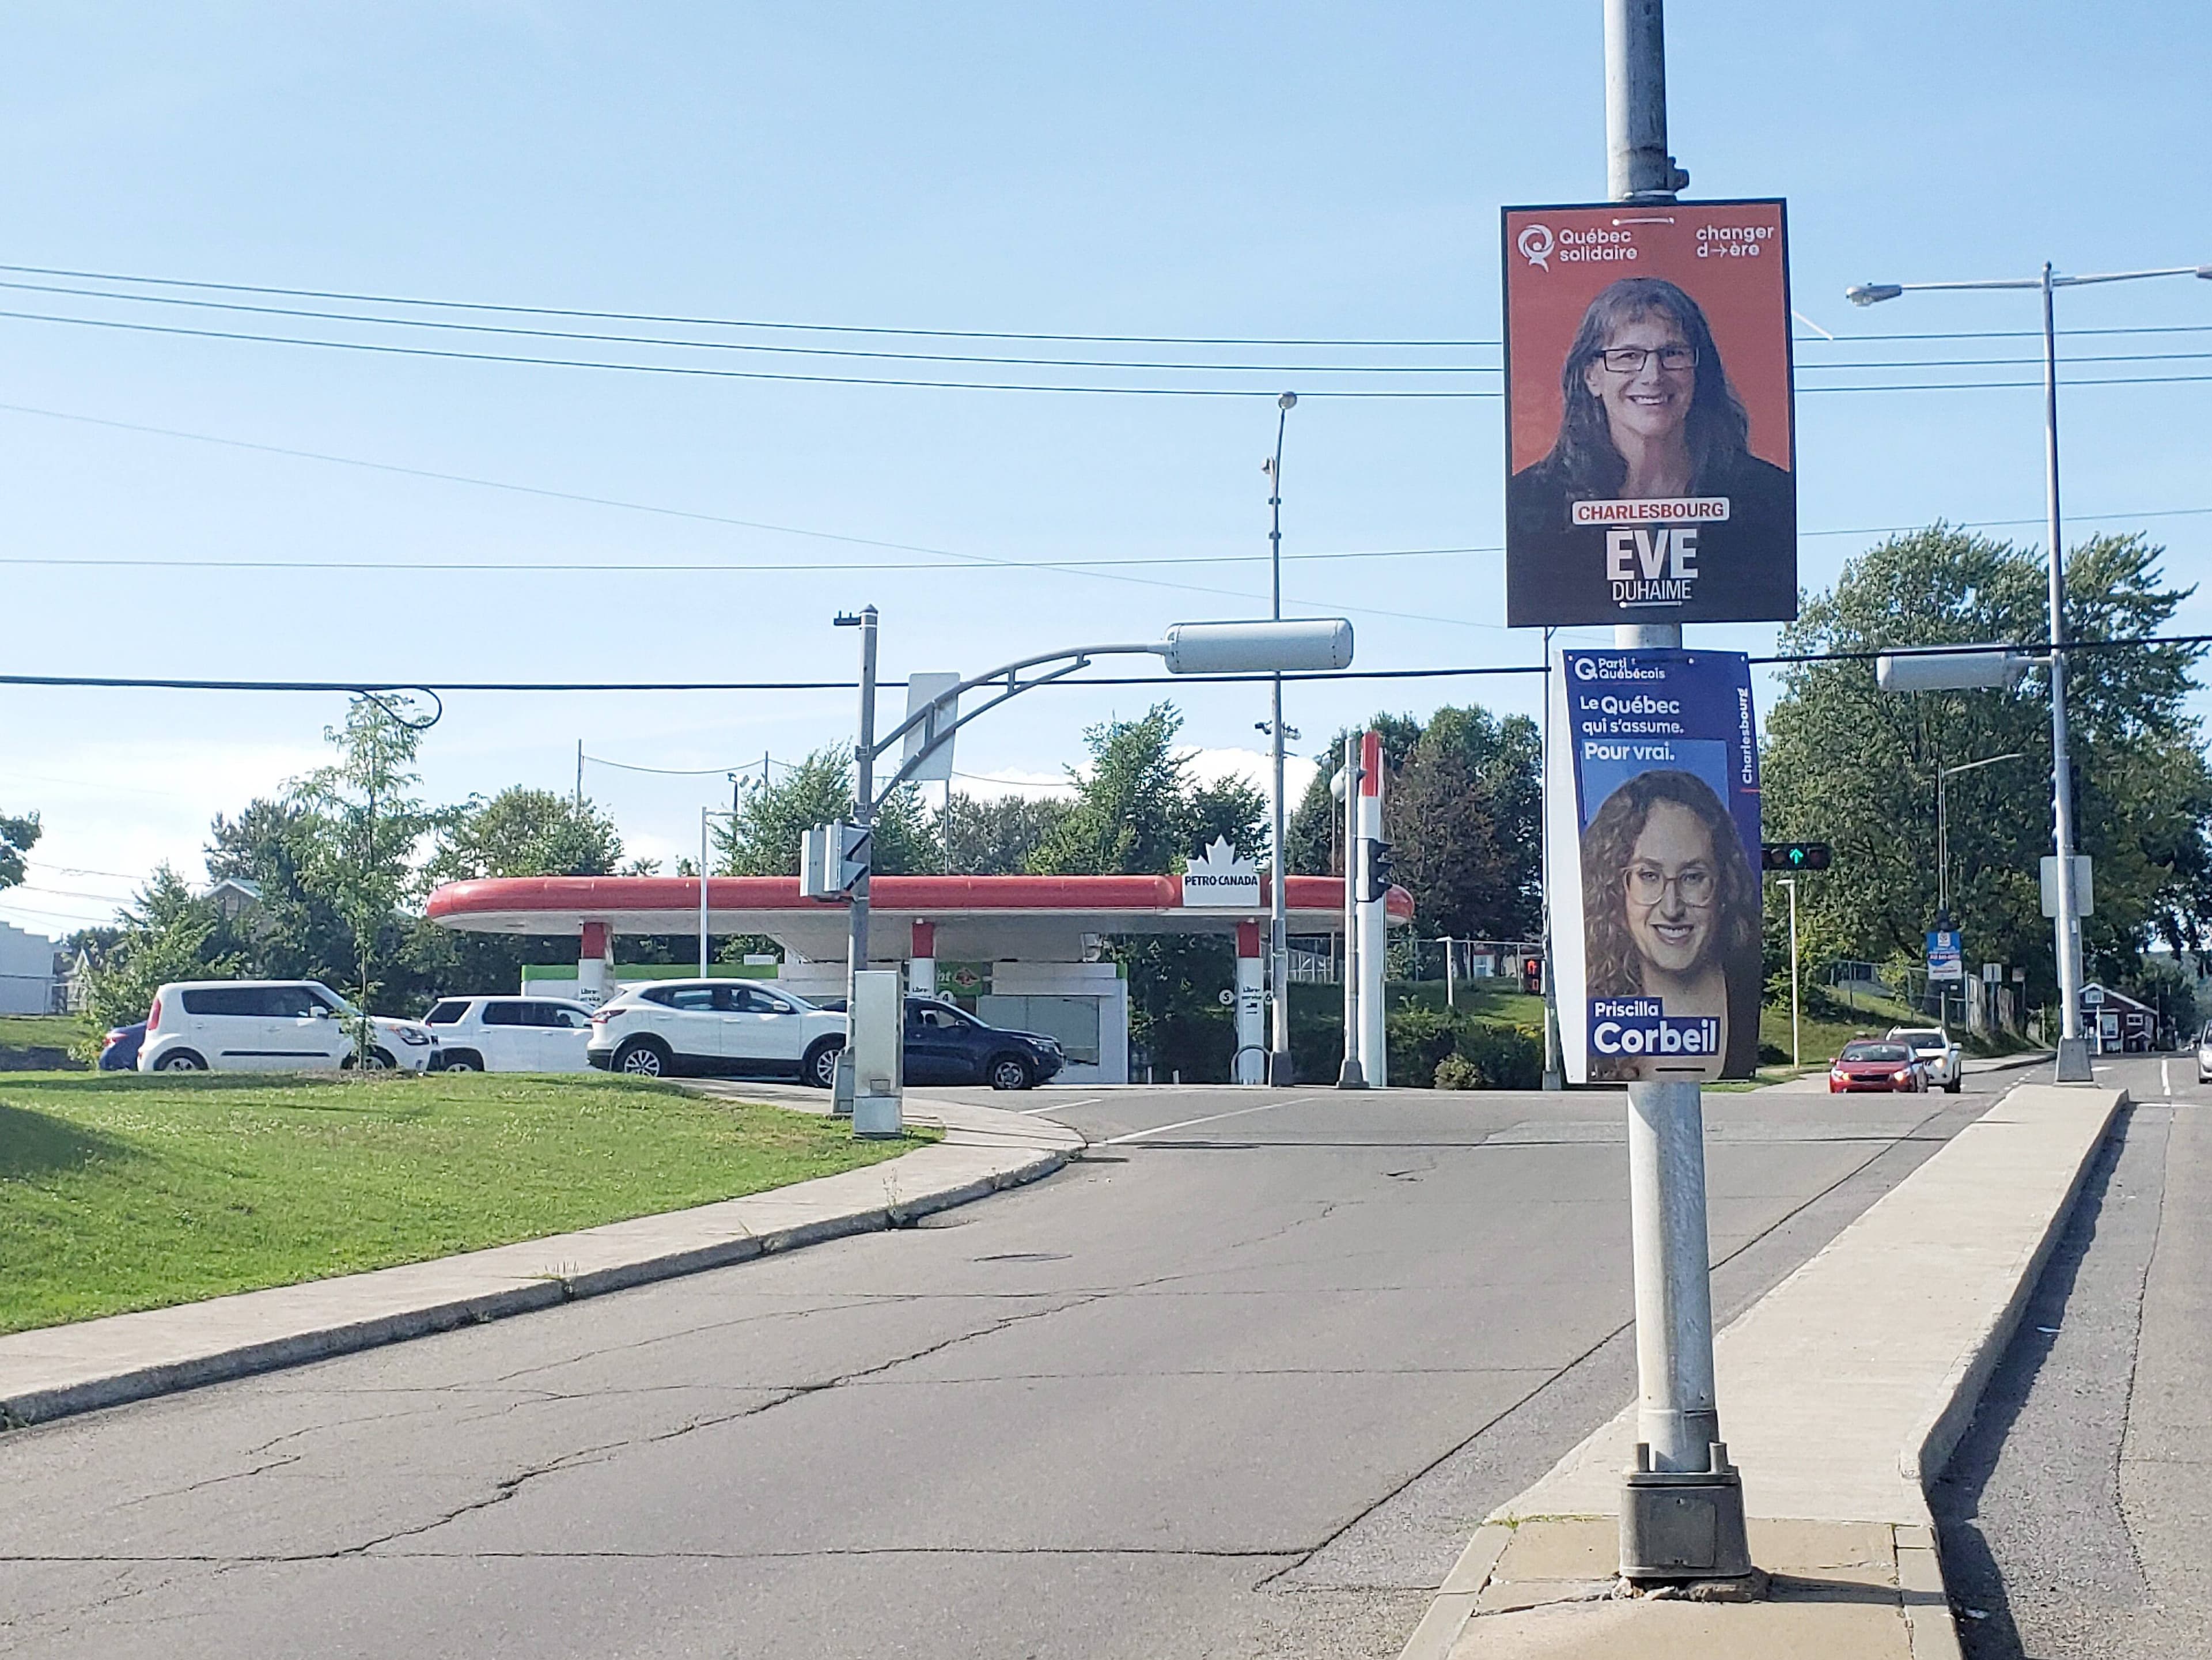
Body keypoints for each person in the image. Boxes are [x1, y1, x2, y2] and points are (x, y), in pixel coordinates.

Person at [1505, 276, 1794, 625]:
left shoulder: (1765, 496)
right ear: (1591, 376)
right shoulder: (1535, 502)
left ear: (1700, 372)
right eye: (1628, 356)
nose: (1653, 375)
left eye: (1672, 354)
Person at [1580, 768, 1761, 1080]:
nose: (1672, 907)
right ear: (1614, 887)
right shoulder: (1590, 1005)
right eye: (1649, 876)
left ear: (1723, 885)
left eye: (1693, 877)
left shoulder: (1747, 992)